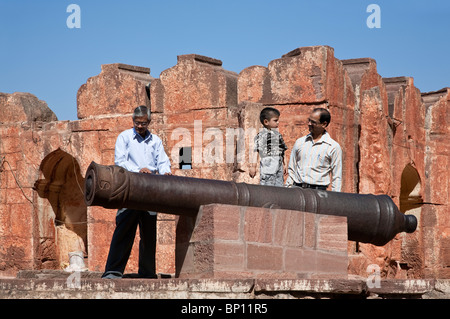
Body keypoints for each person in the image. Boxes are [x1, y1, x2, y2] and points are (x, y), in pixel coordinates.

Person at [102, 105, 171, 279]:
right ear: (133, 120)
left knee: (149, 235)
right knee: (124, 231)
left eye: (143, 123)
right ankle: (113, 271)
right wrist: (139, 170)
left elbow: (161, 160)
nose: (140, 126)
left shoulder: (155, 140)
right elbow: (120, 161)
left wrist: (166, 171)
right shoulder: (124, 137)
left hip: (150, 191)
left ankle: (147, 273)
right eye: (137, 122)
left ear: (149, 122)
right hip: (130, 189)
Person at [286, 108, 342, 191]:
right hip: (297, 190)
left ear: (324, 124)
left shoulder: (333, 147)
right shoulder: (300, 142)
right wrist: (288, 188)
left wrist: (335, 198)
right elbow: (292, 168)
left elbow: (337, 177)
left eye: (313, 122)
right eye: (309, 120)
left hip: (318, 192)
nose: (309, 124)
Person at [249, 107, 288, 187]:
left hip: (279, 167)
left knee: (279, 188)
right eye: (275, 120)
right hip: (268, 168)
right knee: (268, 189)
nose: (278, 122)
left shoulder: (278, 135)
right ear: (266, 122)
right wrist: (253, 166)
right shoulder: (261, 135)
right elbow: (256, 151)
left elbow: (283, 151)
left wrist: (285, 164)